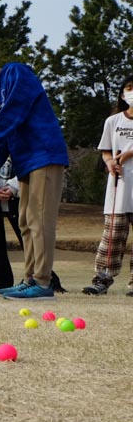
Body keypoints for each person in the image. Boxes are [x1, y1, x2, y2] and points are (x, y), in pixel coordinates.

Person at [0, 39, 70, 299]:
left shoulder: (16, 73)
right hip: (25, 161)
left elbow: (13, 114)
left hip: (44, 153)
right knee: (26, 221)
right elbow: (4, 136)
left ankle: (43, 282)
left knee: (40, 220)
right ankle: (29, 278)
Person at [0, 134, 66, 294]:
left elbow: (28, 165)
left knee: (30, 238)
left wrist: (13, 186)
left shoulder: (22, 137)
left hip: (18, 196)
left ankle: (44, 279)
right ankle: (1, 284)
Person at [82, 77, 133, 296]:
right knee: (112, 237)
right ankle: (102, 279)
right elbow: (105, 150)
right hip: (119, 188)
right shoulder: (113, 121)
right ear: (123, 94)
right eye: (130, 89)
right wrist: (110, 162)